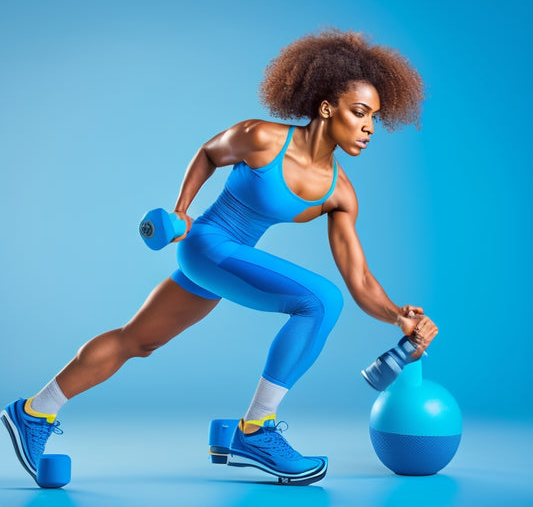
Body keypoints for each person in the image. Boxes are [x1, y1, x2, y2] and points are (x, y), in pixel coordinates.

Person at [1, 29, 438, 487]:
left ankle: (33, 412)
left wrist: (396, 316)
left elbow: (360, 278)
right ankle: (256, 429)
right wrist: (181, 211)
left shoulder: (340, 192)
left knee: (136, 340)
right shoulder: (263, 138)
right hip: (205, 244)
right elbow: (210, 154)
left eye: (375, 118)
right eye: (360, 113)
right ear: (327, 108)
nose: (370, 127)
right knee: (320, 301)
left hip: (227, 263)